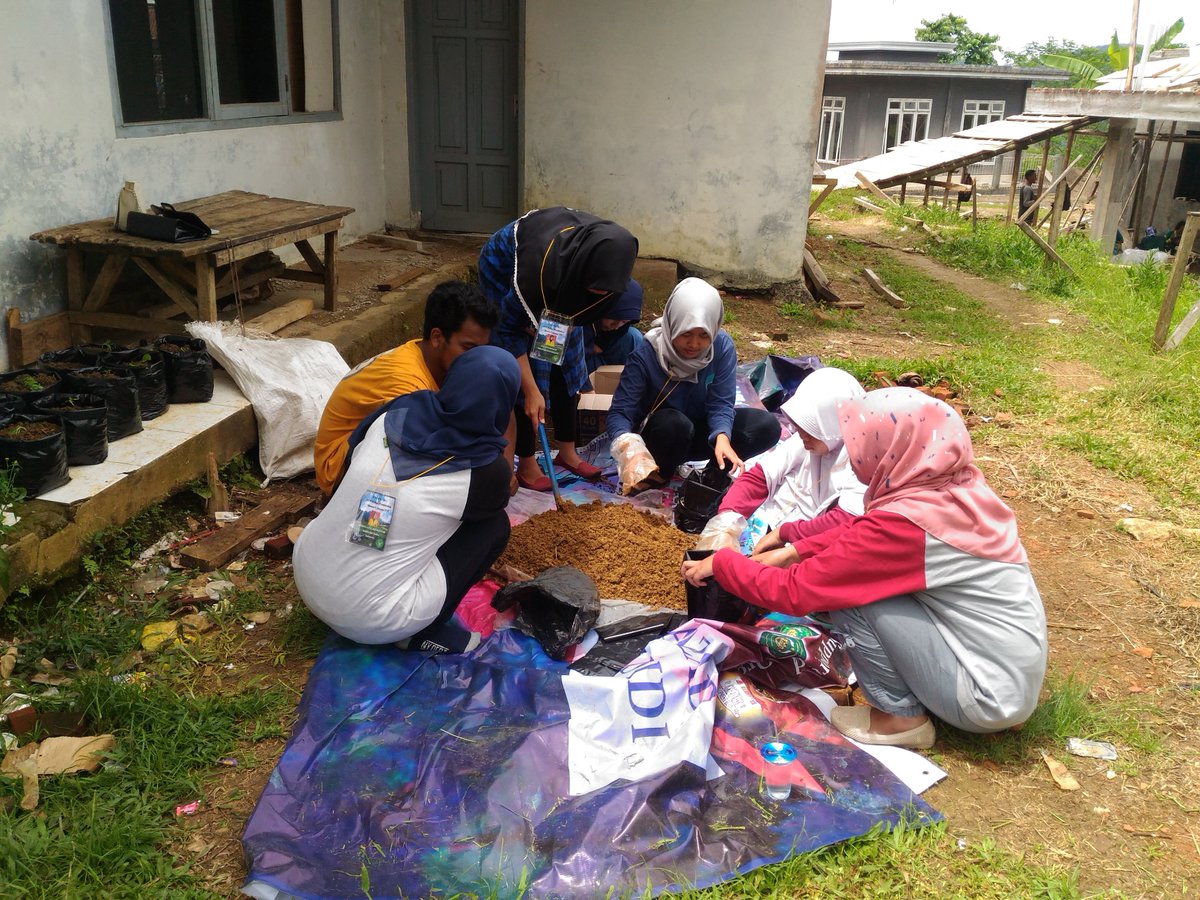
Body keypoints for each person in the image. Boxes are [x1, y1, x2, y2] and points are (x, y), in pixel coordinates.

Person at [682, 388, 1047, 749]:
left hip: (982, 697)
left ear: (890, 448)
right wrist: (794, 548)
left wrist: (725, 563)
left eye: (863, 444)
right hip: (1004, 675)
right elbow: (857, 536)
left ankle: (899, 718)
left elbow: (796, 591)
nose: (856, 453)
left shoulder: (907, 524)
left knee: (849, 598)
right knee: (855, 583)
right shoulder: (950, 487)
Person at [294, 346, 519, 653]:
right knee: (494, 526)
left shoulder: (396, 412)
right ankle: (423, 631)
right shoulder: (486, 472)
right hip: (369, 619)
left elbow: (348, 466)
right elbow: (496, 499)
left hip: (308, 573)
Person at [479, 207, 638, 491]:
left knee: (566, 365)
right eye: (596, 288)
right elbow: (508, 331)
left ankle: (567, 452)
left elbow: (583, 314)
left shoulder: (607, 262)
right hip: (508, 271)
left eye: (605, 290)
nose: (601, 294)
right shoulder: (536, 273)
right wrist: (531, 391)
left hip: (566, 279)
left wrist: (553, 326)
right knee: (525, 376)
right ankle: (527, 462)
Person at [313, 281, 498, 495]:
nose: (478, 359)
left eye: (483, 350)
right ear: (437, 338)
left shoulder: (435, 357)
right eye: (469, 348)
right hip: (337, 467)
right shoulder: (408, 383)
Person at [607, 277, 781, 491]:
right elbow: (620, 412)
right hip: (662, 439)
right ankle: (660, 474)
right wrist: (629, 448)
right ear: (672, 324)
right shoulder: (646, 355)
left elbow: (721, 403)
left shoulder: (721, 347)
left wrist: (722, 436)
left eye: (704, 335)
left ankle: (712, 476)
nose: (694, 344)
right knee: (675, 424)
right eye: (686, 334)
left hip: (700, 434)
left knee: (766, 426)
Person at [697, 366, 867, 551]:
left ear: (832, 424)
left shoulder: (864, 464)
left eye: (812, 428)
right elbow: (759, 477)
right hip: (768, 526)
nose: (802, 435)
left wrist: (784, 535)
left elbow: (842, 522)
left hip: (805, 546)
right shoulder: (807, 441)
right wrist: (727, 522)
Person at [582, 279, 645, 372]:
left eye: (623, 322)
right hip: (582, 361)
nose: (616, 326)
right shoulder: (582, 318)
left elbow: (622, 328)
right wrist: (590, 348)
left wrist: (602, 345)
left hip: (606, 351)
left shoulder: (622, 325)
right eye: (614, 319)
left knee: (634, 336)